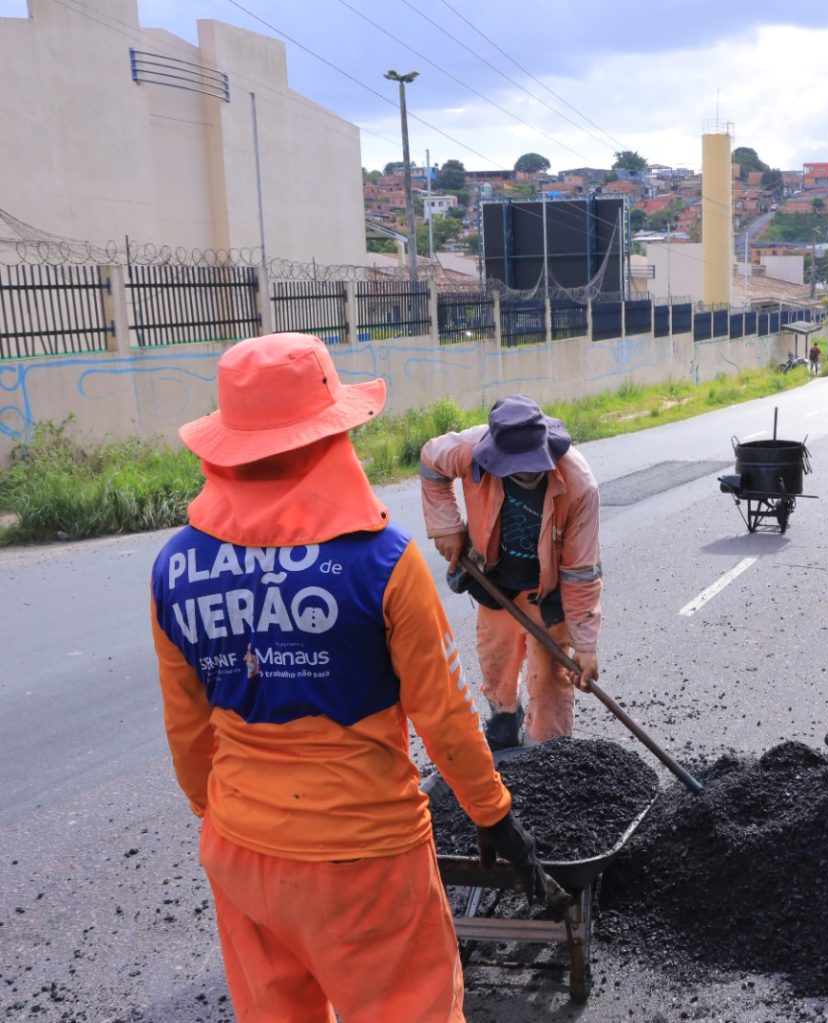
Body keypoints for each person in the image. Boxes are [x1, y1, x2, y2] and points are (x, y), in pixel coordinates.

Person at [150, 333, 549, 1023]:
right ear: (329, 434)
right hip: (365, 864)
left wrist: (231, 815)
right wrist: (494, 815)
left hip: (242, 856)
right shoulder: (383, 563)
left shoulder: (174, 569)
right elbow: (447, 722)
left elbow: (188, 739)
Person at [420, 396, 602, 749]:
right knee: (496, 663)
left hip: (546, 593)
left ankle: (548, 754)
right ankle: (505, 718)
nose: (524, 473)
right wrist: (446, 527)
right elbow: (431, 462)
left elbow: (581, 572)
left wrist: (586, 644)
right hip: (494, 581)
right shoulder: (472, 448)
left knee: (550, 678)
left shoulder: (579, 483)